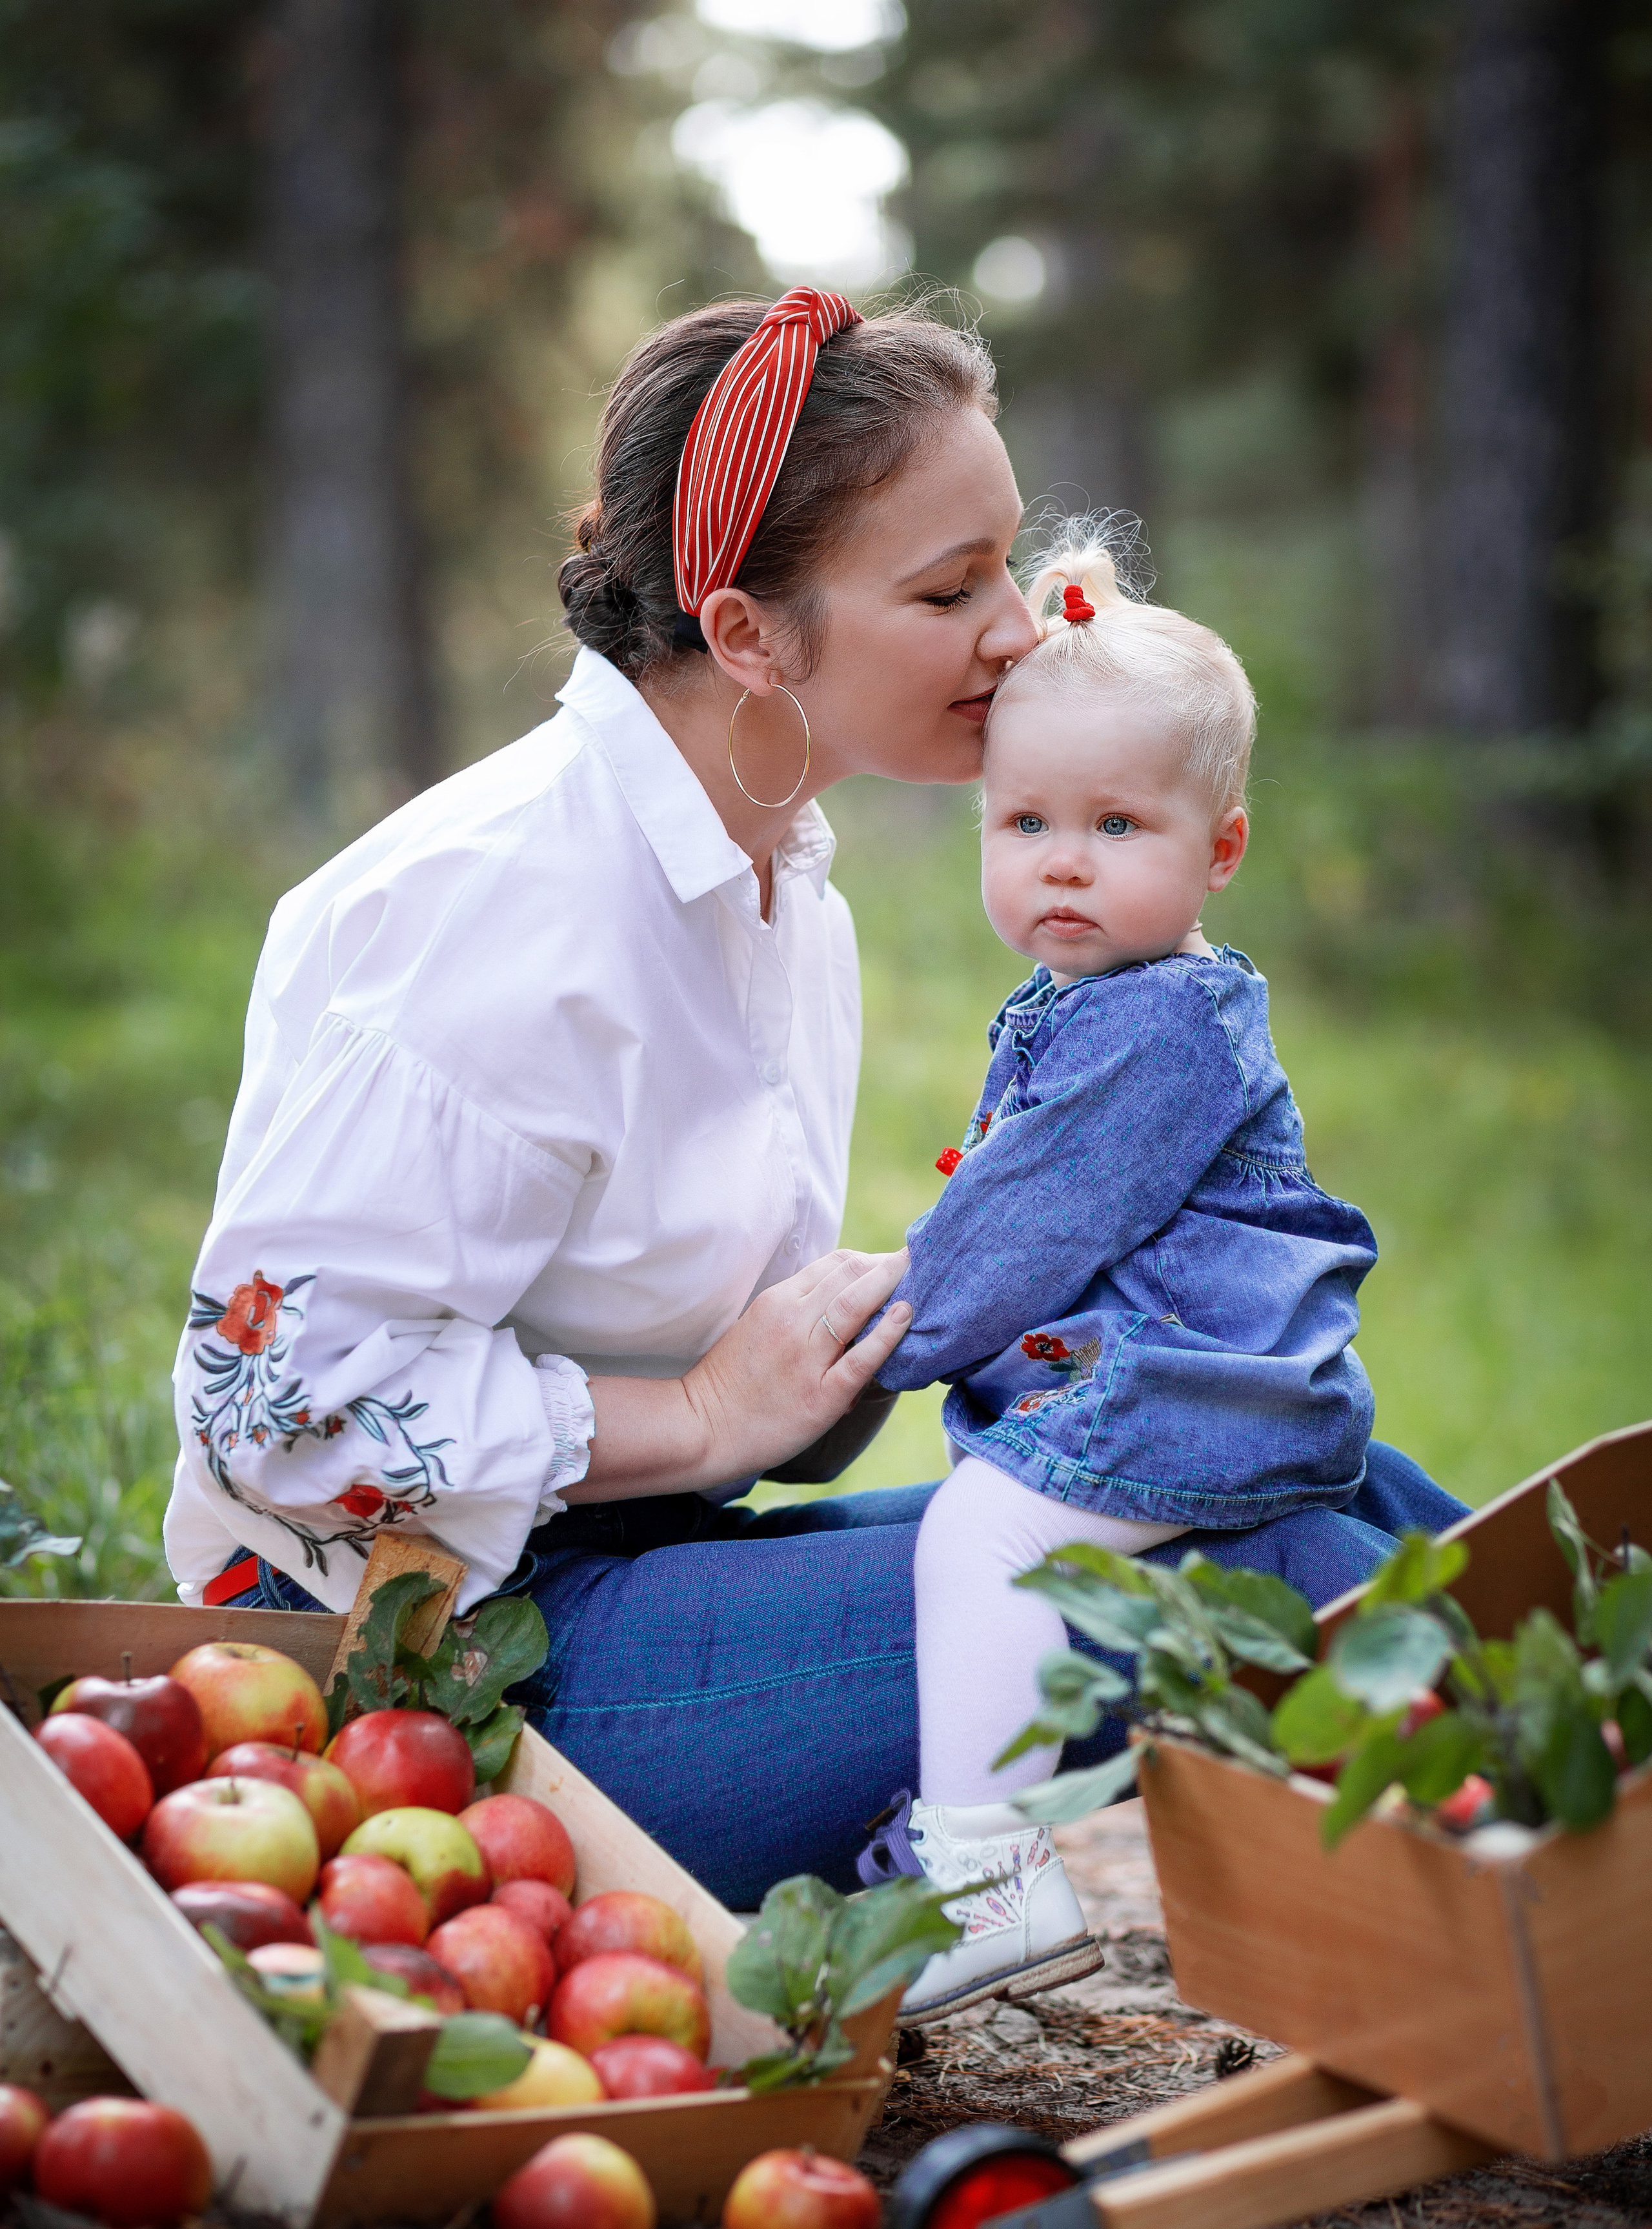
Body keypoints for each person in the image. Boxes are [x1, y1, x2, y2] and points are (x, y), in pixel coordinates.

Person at [163, 291, 1464, 1924]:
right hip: (444, 1667)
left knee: (1328, 1485)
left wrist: (865, 1347)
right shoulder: (494, 909)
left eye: (1004, 562)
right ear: (748, 632)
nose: (1017, 629)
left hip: (634, 1568)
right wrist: (708, 1419)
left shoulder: (779, 882)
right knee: (1256, 1577)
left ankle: (1584, 1816)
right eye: (946, 587)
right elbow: (272, 1405)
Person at [858, 527, 1463, 2020]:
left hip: (1193, 1376)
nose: (1062, 861)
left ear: (1220, 849)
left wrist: (877, 1337)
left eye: (1117, 825)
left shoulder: (1157, 1024)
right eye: (1023, 824)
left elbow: (1021, 1231)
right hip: (1186, 1364)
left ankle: (983, 1875)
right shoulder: (1094, 997)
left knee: (982, 1543)